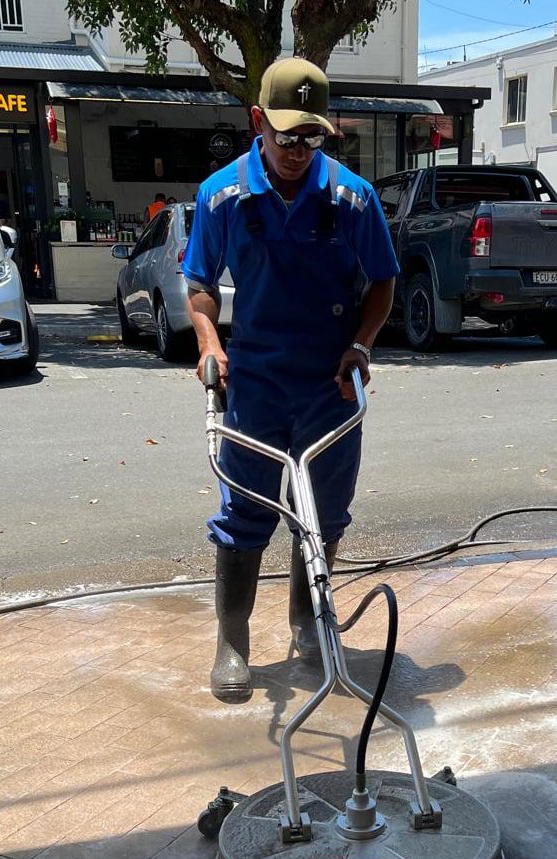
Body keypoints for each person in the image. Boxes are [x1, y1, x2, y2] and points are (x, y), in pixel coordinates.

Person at [183, 57, 399, 704]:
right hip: (255, 383)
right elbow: (198, 285)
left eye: (311, 137)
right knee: (245, 515)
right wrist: (209, 343)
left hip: (329, 385)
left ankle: (308, 623)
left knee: (323, 514)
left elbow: (384, 282)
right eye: (286, 137)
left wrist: (361, 345)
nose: (298, 151)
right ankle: (233, 641)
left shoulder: (351, 198)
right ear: (258, 122)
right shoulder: (221, 196)